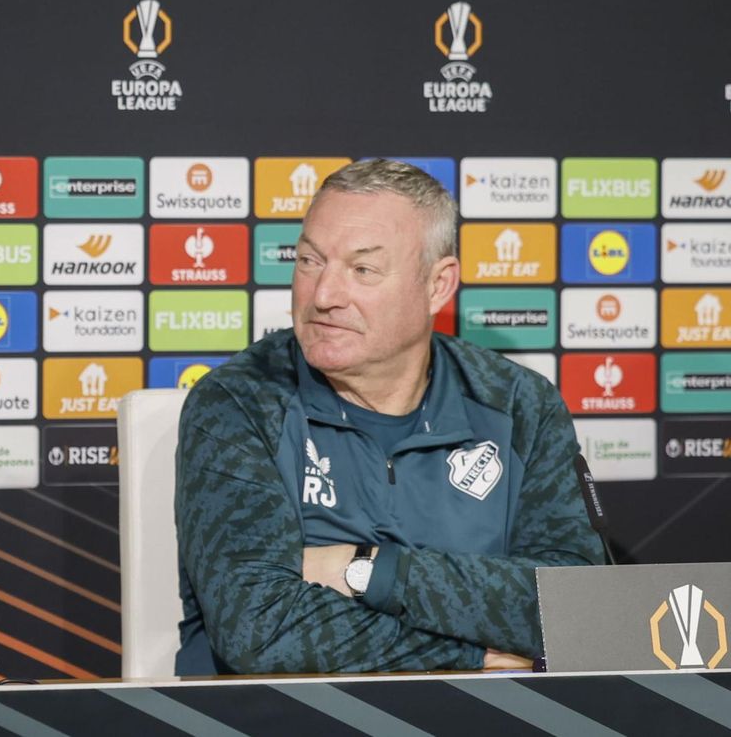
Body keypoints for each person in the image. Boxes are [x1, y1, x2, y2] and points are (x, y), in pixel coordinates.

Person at [174, 158, 603, 674]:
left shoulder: (519, 405)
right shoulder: (238, 403)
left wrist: (369, 571)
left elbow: (576, 603)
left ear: (437, 286)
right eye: (310, 261)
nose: (324, 295)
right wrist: (467, 655)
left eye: (362, 270)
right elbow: (261, 629)